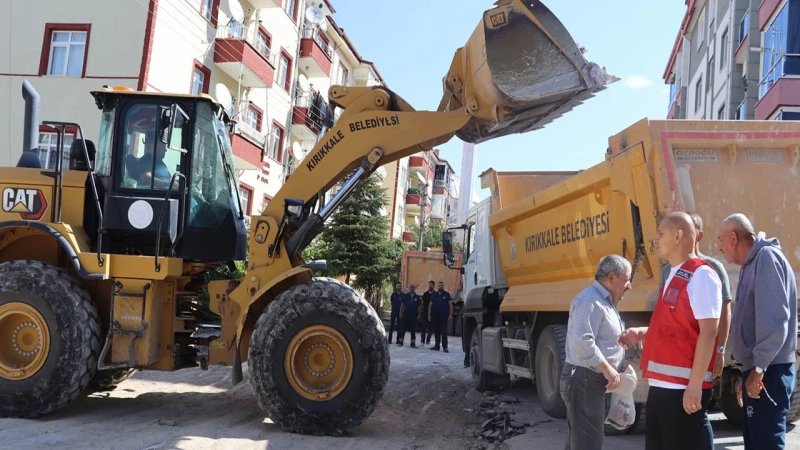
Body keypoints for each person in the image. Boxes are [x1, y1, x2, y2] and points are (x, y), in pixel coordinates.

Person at [619, 212, 722, 450]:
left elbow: (708, 332)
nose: (655, 239)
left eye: (660, 234)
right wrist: (643, 333)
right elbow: (678, 326)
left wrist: (694, 386)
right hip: (662, 388)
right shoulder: (674, 274)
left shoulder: (702, 275)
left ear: (678, 236)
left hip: (681, 391)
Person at [717, 213, 797, 450]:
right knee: (756, 442)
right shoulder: (752, 263)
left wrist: (758, 371)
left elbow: (773, 322)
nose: (720, 248)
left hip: (770, 370)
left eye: (721, 242)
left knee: (766, 443)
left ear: (733, 237)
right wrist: (749, 370)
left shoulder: (766, 259)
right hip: (763, 369)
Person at [561, 254, 631, 450]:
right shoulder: (590, 300)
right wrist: (607, 367)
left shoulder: (606, 301)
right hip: (584, 379)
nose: (629, 285)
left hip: (590, 380)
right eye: (627, 279)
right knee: (588, 443)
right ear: (611, 277)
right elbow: (582, 341)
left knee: (581, 441)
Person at [659, 213, 732, 379]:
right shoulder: (667, 271)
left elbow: (724, 313)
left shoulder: (713, 268)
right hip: (676, 354)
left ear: (699, 235)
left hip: (703, 353)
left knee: (696, 396)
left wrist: (720, 351)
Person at [429, 281, 452, 352]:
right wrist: (429, 315)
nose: (440, 286)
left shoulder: (447, 294)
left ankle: (445, 347)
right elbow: (430, 306)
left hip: (444, 316)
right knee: (436, 331)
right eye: (439, 285)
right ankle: (437, 346)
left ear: (443, 286)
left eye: (441, 285)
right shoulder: (434, 295)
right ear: (437, 287)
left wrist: (450, 315)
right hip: (435, 316)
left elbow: (450, 305)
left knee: (444, 331)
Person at [420, 281, 435, 346]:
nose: (430, 286)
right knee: (423, 327)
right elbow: (422, 303)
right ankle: (422, 340)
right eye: (429, 285)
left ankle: (428, 340)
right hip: (425, 312)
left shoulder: (435, 294)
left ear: (434, 286)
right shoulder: (425, 294)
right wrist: (420, 312)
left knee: (431, 328)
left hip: (433, 313)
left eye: (431, 285)